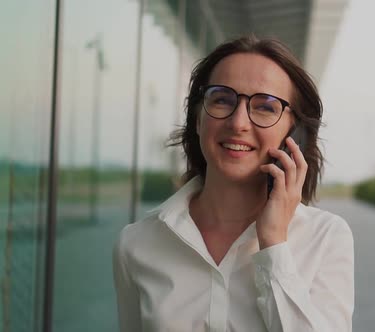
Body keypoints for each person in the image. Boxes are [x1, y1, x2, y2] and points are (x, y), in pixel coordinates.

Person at [112, 35, 354, 332]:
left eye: (265, 106)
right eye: (222, 99)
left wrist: (274, 243)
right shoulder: (136, 244)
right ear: (198, 120)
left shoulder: (326, 238)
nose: (238, 122)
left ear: (296, 133)